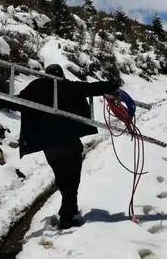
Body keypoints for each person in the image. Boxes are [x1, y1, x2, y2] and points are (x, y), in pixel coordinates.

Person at [18, 64, 121, 229]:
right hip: (68, 143)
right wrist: (114, 84)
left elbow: (15, 101)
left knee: (63, 179)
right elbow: (92, 88)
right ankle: (66, 216)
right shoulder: (67, 85)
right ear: (61, 74)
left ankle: (70, 209)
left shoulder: (34, 87)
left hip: (49, 146)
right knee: (72, 180)